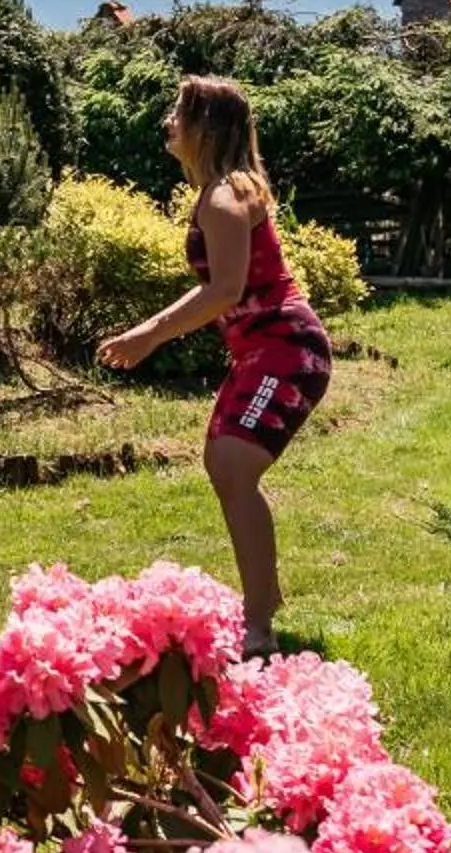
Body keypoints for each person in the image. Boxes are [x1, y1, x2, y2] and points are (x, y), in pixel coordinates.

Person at [97, 78, 331, 657]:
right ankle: (263, 599)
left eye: (179, 113)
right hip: (263, 349)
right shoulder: (224, 191)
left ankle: (258, 626)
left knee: (232, 464)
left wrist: (147, 335)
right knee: (226, 465)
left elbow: (223, 290)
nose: (168, 122)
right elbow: (222, 286)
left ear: (208, 126)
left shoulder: (227, 198)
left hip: (286, 347)